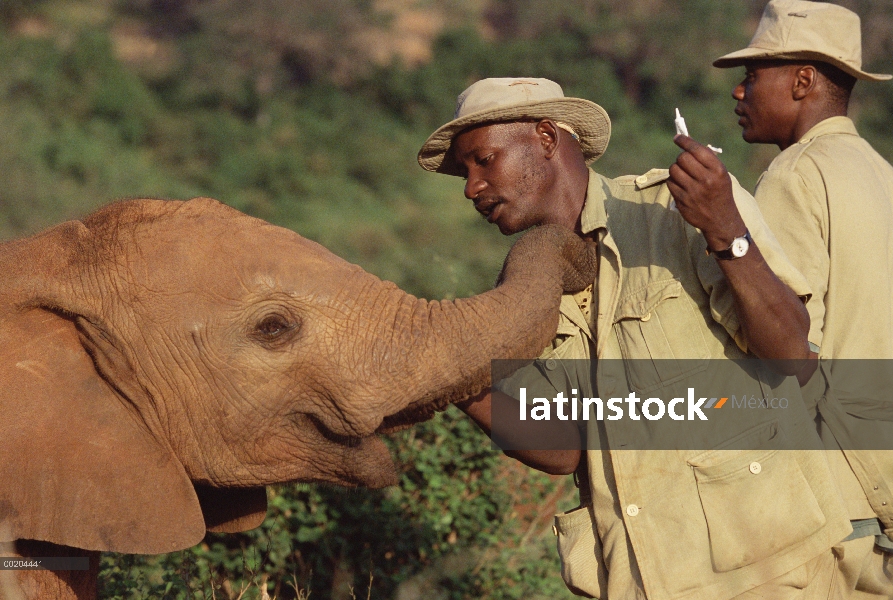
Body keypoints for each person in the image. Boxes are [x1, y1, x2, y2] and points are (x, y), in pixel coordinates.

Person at [417, 77, 851, 599]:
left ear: (547, 139)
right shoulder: (526, 291)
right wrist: (453, 377)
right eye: (464, 171)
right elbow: (565, 452)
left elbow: (791, 359)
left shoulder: (677, 211)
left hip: (766, 577)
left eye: (483, 160)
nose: (471, 187)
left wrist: (725, 231)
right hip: (639, 581)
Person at [712, 0, 893, 596]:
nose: (739, 93)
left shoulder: (794, 175)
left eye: (752, 76)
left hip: (836, 491)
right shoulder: (878, 171)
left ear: (804, 80)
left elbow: (785, 349)